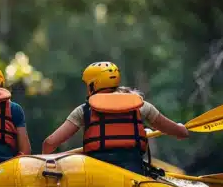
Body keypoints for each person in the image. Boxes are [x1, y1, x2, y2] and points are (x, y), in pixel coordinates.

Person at [42, 61, 188, 175]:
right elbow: (178, 133)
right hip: (133, 172)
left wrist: (44, 163)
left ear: (93, 85)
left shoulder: (83, 110)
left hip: (96, 174)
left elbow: (50, 143)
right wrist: (181, 129)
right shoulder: (141, 106)